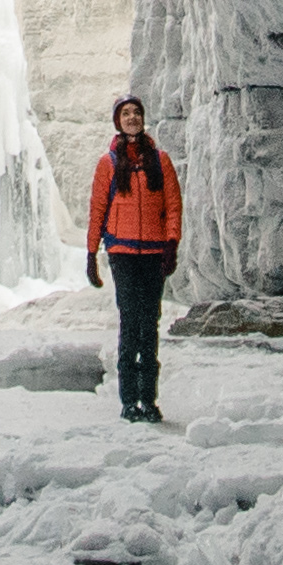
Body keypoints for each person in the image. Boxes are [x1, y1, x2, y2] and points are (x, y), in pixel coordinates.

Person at [83, 94, 184, 422]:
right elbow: (98, 208)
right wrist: (91, 252)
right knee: (130, 323)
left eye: (136, 113)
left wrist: (171, 244)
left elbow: (173, 204)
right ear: (118, 121)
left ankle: (148, 400)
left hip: (154, 252)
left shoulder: (160, 160)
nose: (132, 118)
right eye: (126, 114)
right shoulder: (108, 163)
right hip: (122, 253)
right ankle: (129, 401)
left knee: (149, 325)